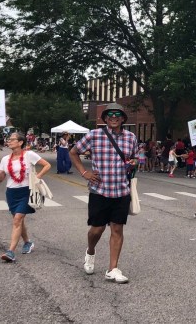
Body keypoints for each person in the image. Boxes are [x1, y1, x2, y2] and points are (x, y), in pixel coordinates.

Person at [69, 102, 138, 284]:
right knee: (97, 230)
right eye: (110, 114)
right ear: (105, 118)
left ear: (123, 118)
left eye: (117, 114)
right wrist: (85, 173)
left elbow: (135, 157)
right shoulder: (94, 135)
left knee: (117, 228)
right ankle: (90, 251)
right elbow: (73, 152)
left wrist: (134, 162)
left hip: (121, 190)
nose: (113, 117)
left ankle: (112, 268)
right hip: (99, 191)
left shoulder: (131, 137)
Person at [0, 132, 51, 262]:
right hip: (11, 193)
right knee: (19, 220)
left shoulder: (29, 155)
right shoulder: (6, 159)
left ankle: (10, 252)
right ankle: (27, 242)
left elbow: (47, 165)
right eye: (9, 139)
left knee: (17, 219)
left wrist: (37, 177)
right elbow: (0, 180)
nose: (9, 141)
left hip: (26, 191)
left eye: (12, 139)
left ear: (20, 142)